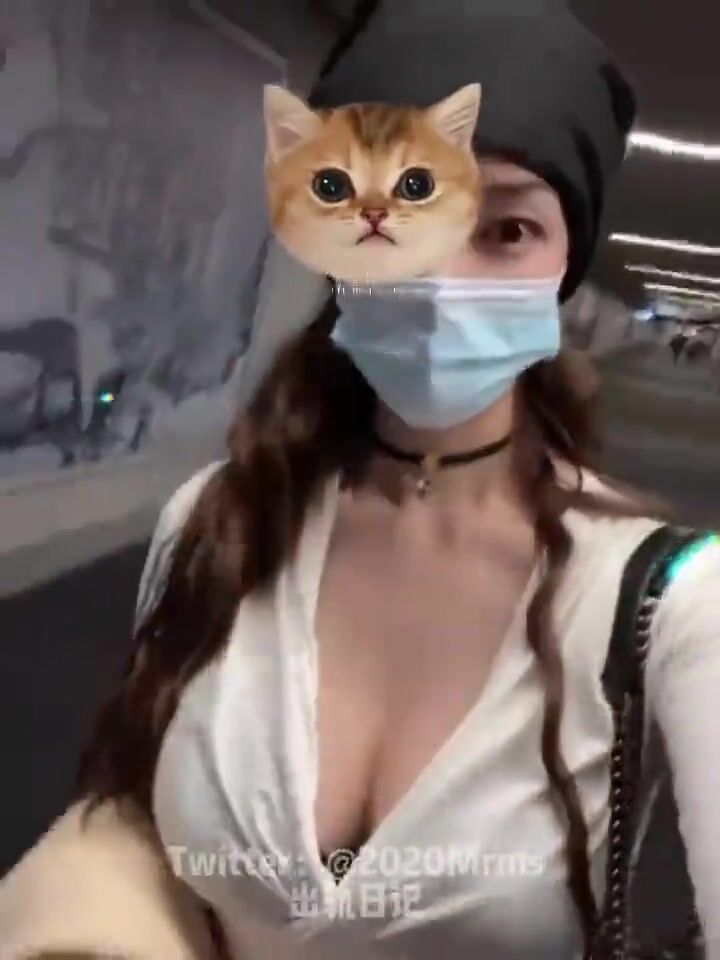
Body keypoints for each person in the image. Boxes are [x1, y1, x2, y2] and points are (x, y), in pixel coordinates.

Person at [2, 1, 719, 958]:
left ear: (565, 265)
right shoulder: (216, 523)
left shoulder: (674, 604)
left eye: (506, 228)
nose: (437, 275)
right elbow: (138, 833)